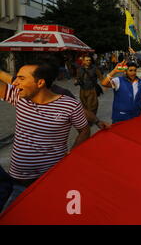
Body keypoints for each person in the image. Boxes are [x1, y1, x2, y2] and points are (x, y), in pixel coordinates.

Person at [0, 61, 90, 207]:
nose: (14, 83)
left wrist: (73, 153)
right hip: (17, 180)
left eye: (21, 78)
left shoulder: (70, 105)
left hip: (51, 178)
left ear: (40, 82)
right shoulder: (18, 97)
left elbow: (84, 129)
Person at [0, 67, 110, 130]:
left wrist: (97, 121)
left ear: (40, 81)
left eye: (22, 78)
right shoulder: (21, 94)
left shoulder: (63, 96)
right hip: (18, 168)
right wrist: (97, 121)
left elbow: (82, 120)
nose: (17, 83)